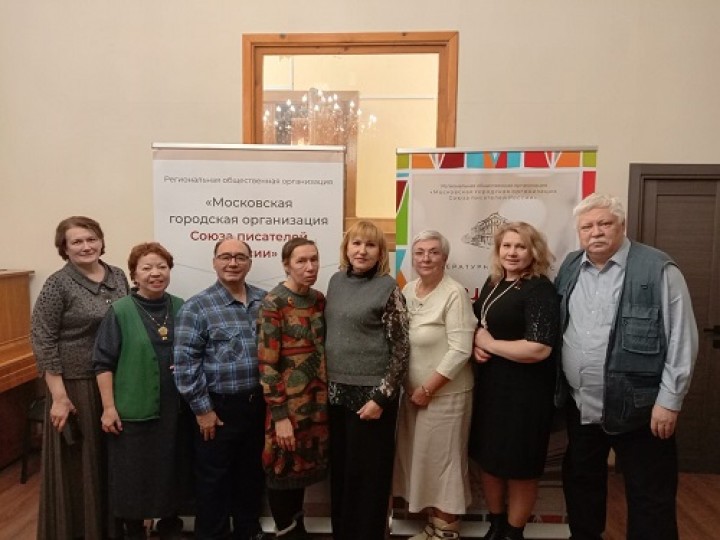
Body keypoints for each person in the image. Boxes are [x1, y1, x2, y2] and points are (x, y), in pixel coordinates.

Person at [555, 193, 698, 540]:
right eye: (587, 226)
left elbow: (682, 338)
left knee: (650, 495)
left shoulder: (658, 268)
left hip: (642, 410)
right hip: (582, 406)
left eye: (604, 223)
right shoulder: (571, 266)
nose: (596, 232)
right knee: (582, 486)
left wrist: (669, 401)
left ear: (622, 225)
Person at [31, 216, 130, 540]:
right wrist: (59, 397)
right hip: (75, 385)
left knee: (110, 461)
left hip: (113, 380)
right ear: (64, 248)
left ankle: (110, 530)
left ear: (101, 241)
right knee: (80, 464)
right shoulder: (57, 284)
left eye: (91, 239)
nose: (86, 246)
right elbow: (43, 339)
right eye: (77, 241)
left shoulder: (118, 275)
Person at [469, 222, 560, 540]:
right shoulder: (494, 282)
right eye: (506, 246)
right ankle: (495, 526)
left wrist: (490, 344)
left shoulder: (539, 289)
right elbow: (481, 324)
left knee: (521, 467)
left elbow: (539, 348)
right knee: (489, 460)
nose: (512, 252)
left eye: (520, 246)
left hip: (526, 394)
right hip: (491, 388)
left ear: (534, 251)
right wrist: (477, 346)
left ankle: (513, 533)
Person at [173, 239, 268, 540]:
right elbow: (185, 364)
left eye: (240, 257)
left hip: (257, 405)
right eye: (225, 257)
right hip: (217, 409)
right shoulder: (197, 307)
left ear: (250, 262)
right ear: (214, 262)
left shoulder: (265, 301)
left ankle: (248, 532)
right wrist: (203, 411)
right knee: (213, 483)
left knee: (251, 477)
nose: (233, 263)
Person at [93, 242, 188, 540]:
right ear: (134, 274)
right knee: (132, 475)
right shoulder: (119, 310)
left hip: (175, 409)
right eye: (146, 268)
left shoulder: (181, 306)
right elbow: (102, 363)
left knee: (172, 470)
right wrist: (109, 408)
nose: (155, 273)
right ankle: (134, 531)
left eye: (162, 267)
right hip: (132, 409)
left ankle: (169, 526)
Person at [325, 220, 410, 540]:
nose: (362, 251)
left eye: (370, 245)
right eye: (356, 243)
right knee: (342, 475)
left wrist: (381, 398)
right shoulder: (335, 281)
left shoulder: (388, 288)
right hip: (336, 393)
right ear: (346, 248)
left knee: (368, 480)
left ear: (380, 252)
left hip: (372, 397)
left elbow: (401, 349)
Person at [393, 230, 476, 540]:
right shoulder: (409, 289)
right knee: (424, 464)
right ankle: (433, 526)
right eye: (419, 252)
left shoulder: (454, 293)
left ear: (445, 258)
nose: (425, 258)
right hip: (413, 397)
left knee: (444, 466)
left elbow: (461, 350)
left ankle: (447, 531)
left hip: (444, 396)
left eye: (433, 252)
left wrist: (428, 389)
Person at [257, 238, 329, 540]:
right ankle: (285, 531)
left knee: (302, 469)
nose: (310, 267)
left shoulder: (319, 299)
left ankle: (298, 529)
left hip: (317, 403)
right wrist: (280, 416)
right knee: (282, 467)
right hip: (286, 406)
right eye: (301, 261)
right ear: (286, 265)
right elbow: (267, 363)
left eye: (314, 259)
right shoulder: (273, 303)